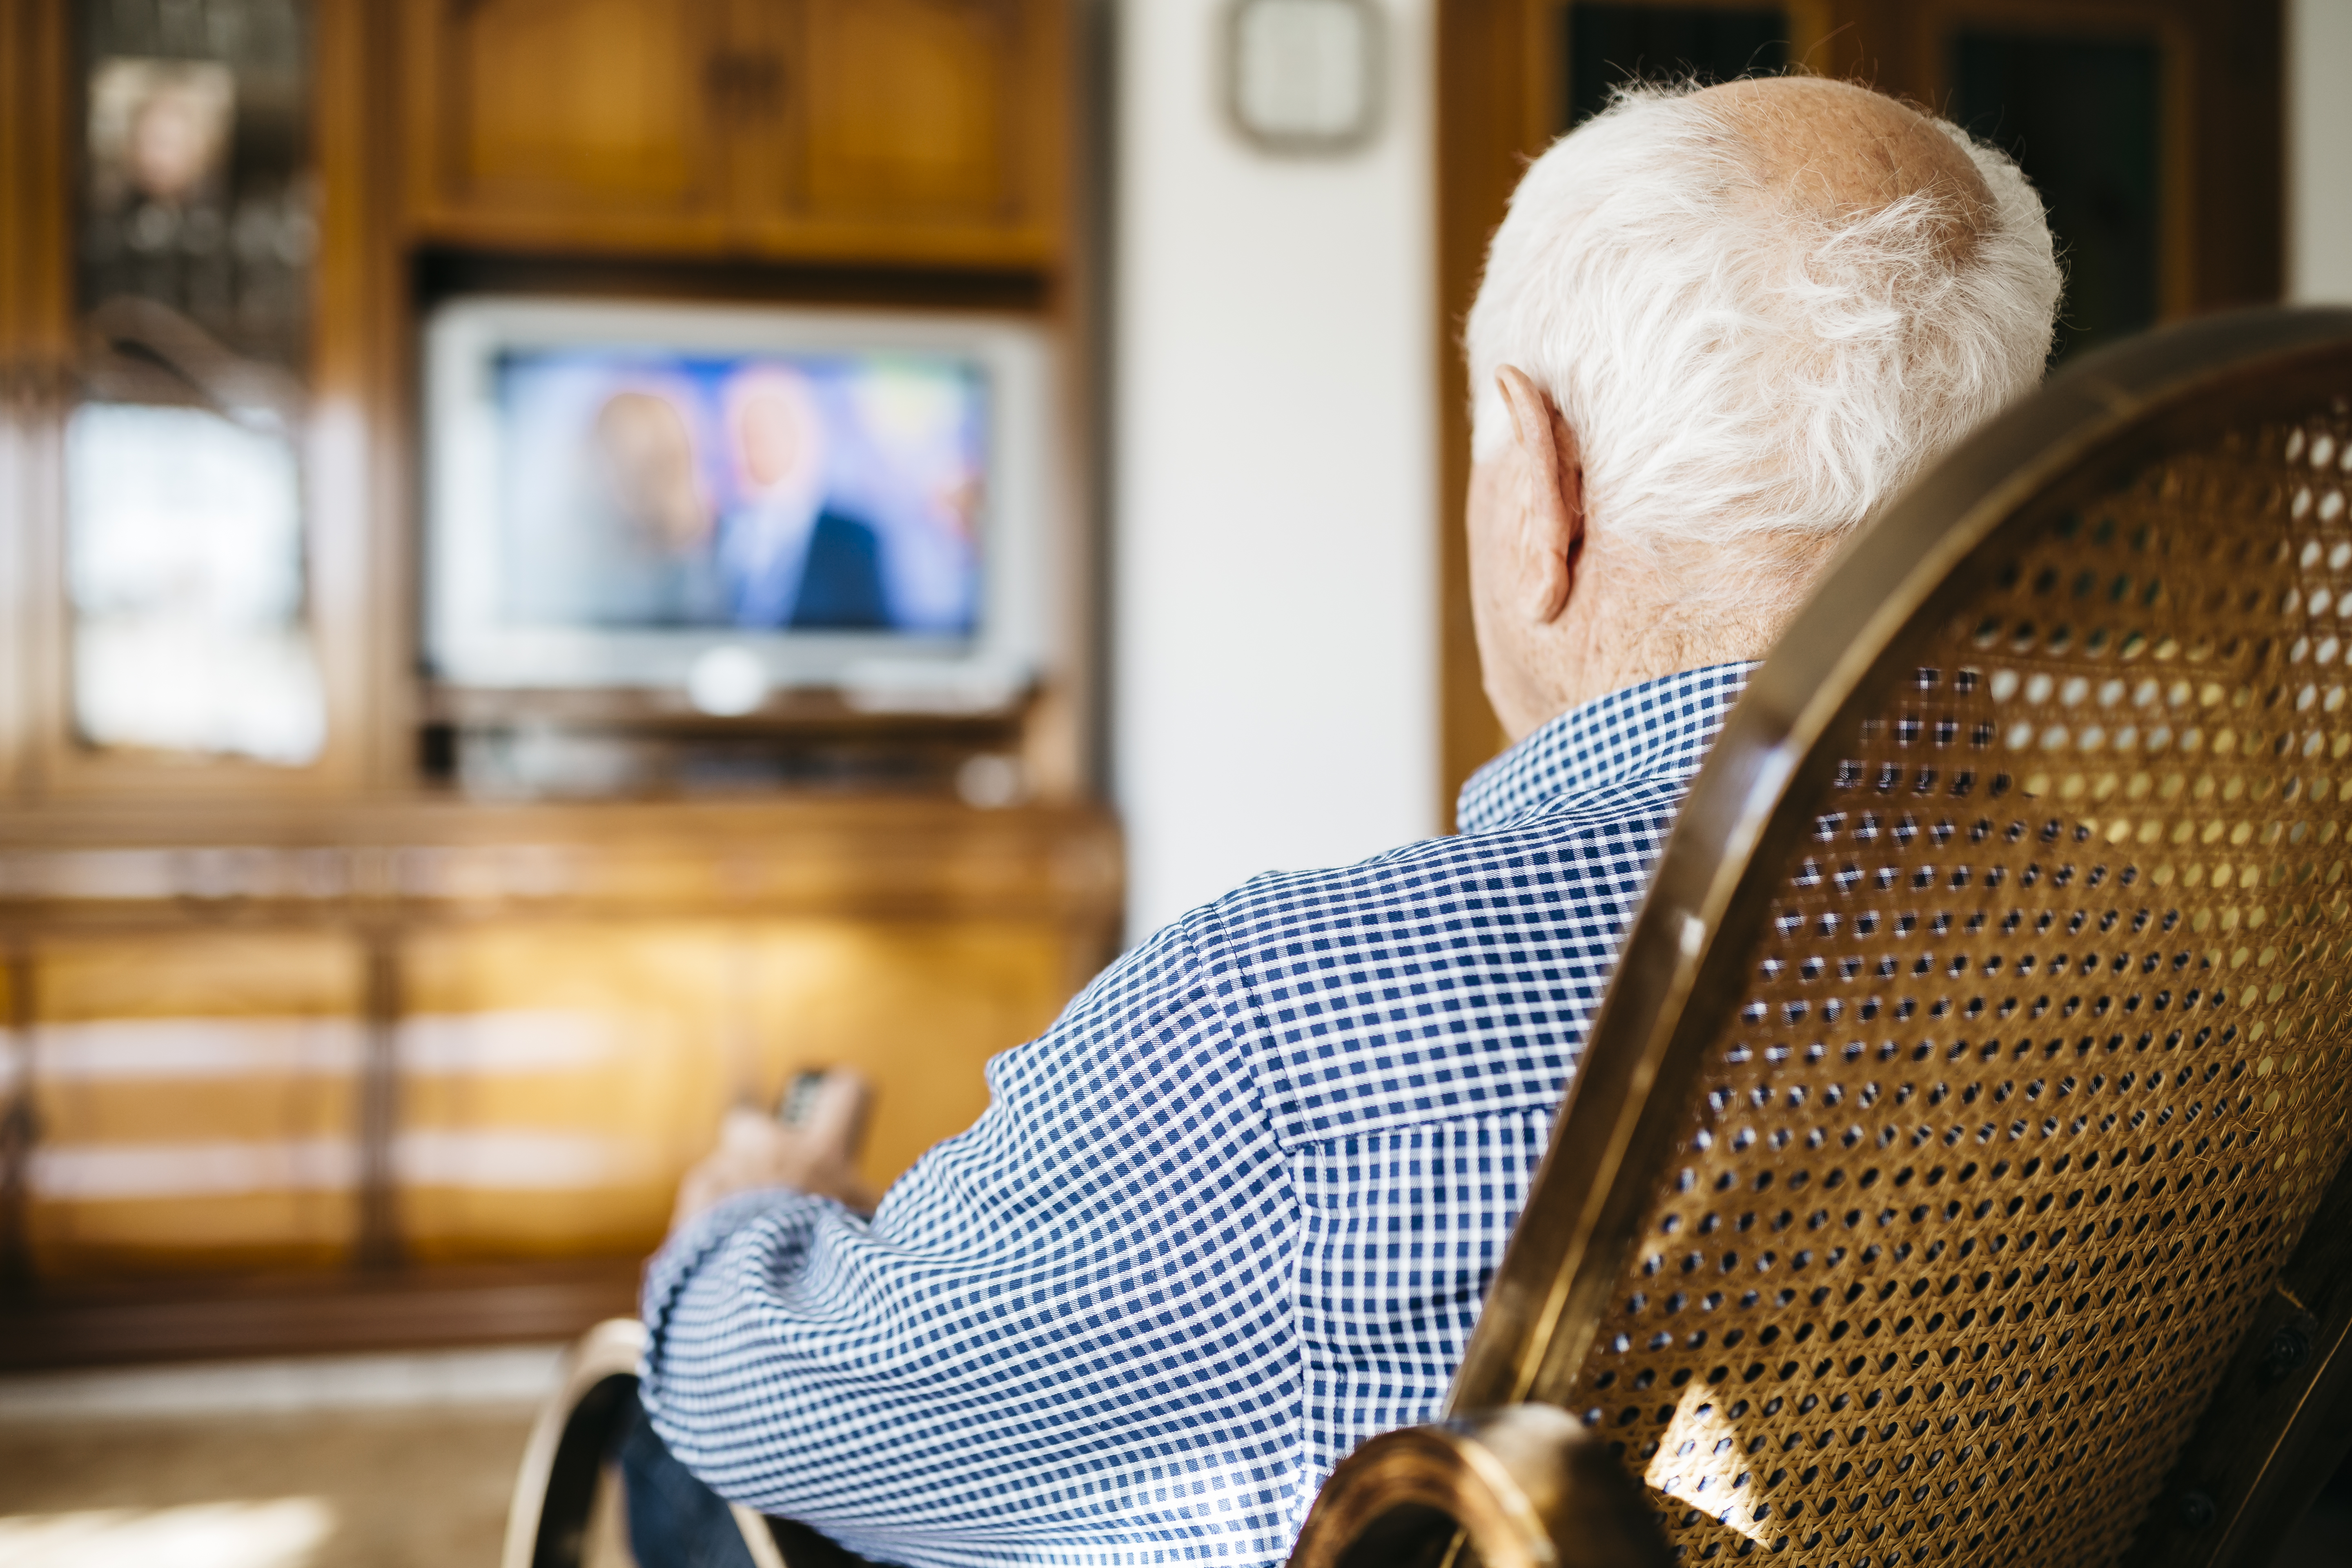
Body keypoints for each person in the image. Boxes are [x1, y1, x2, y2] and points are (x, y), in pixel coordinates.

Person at [625, 77, 2062, 1568]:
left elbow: (791, 1412)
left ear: (1540, 488)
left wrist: (739, 1235)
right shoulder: (2145, 962)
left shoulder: (1287, 1026)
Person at [717, 366, 895, 630]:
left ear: (800, 427)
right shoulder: (715, 530)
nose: (756, 443)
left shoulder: (854, 540)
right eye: (746, 430)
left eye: (769, 427)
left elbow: (875, 642)